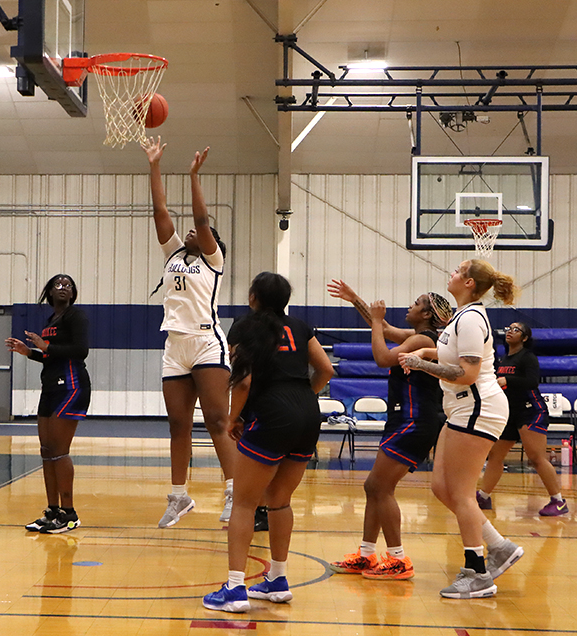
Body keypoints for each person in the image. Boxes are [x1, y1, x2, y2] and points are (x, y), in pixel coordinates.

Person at [202, 272, 333, 612]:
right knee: (279, 499)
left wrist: (233, 418)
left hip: (273, 414)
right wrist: (300, 399)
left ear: (253, 297)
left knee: (244, 503)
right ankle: (277, 579)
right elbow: (326, 370)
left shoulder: (244, 328)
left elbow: (242, 382)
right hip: (308, 412)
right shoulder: (302, 326)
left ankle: (234, 588)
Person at [399, 259, 525, 600]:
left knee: (461, 493)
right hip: (462, 408)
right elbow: (452, 356)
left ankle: (478, 572)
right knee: (442, 487)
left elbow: (467, 374)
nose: (451, 273)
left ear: (469, 282)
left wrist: (420, 363)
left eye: (457, 270)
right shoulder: (462, 316)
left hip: (477, 407)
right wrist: (428, 351)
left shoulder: (470, 318)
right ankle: (499, 547)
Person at [326, 280, 452, 580]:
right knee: (375, 489)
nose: (410, 305)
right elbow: (384, 329)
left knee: (378, 487)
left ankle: (398, 560)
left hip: (415, 420)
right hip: (405, 419)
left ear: (426, 314)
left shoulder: (423, 341)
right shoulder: (418, 336)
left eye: (416, 302)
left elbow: (383, 358)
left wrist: (379, 320)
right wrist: (356, 299)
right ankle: (367, 555)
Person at [142, 136, 237, 528]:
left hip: (205, 343)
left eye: (207, 233)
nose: (197, 233)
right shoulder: (175, 255)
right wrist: (154, 165)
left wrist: (194, 176)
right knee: (178, 425)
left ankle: (234, 490)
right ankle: (179, 496)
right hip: (175, 346)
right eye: (196, 233)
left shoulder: (212, 261)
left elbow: (200, 220)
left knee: (217, 421)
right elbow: (160, 210)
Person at [7, 274, 90, 534]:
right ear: (50, 293)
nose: (63, 288)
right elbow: (49, 357)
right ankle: (52, 511)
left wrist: (46, 346)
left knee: (59, 449)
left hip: (71, 385)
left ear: (73, 293)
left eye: (68, 285)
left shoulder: (76, 316)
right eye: (58, 285)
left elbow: (80, 350)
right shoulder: (50, 321)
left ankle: (70, 514)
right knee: (46, 450)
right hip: (50, 386)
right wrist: (30, 351)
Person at [477, 322, 567, 516]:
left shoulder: (528, 357)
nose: (510, 331)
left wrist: (508, 380)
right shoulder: (504, 358)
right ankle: (483, 496)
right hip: (509, 413)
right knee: (495, 455)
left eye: (516, 329)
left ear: (524, 338)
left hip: (530, 411)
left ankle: (558, 501)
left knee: (536, 457)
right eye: (508, 328)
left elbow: (532, 382)